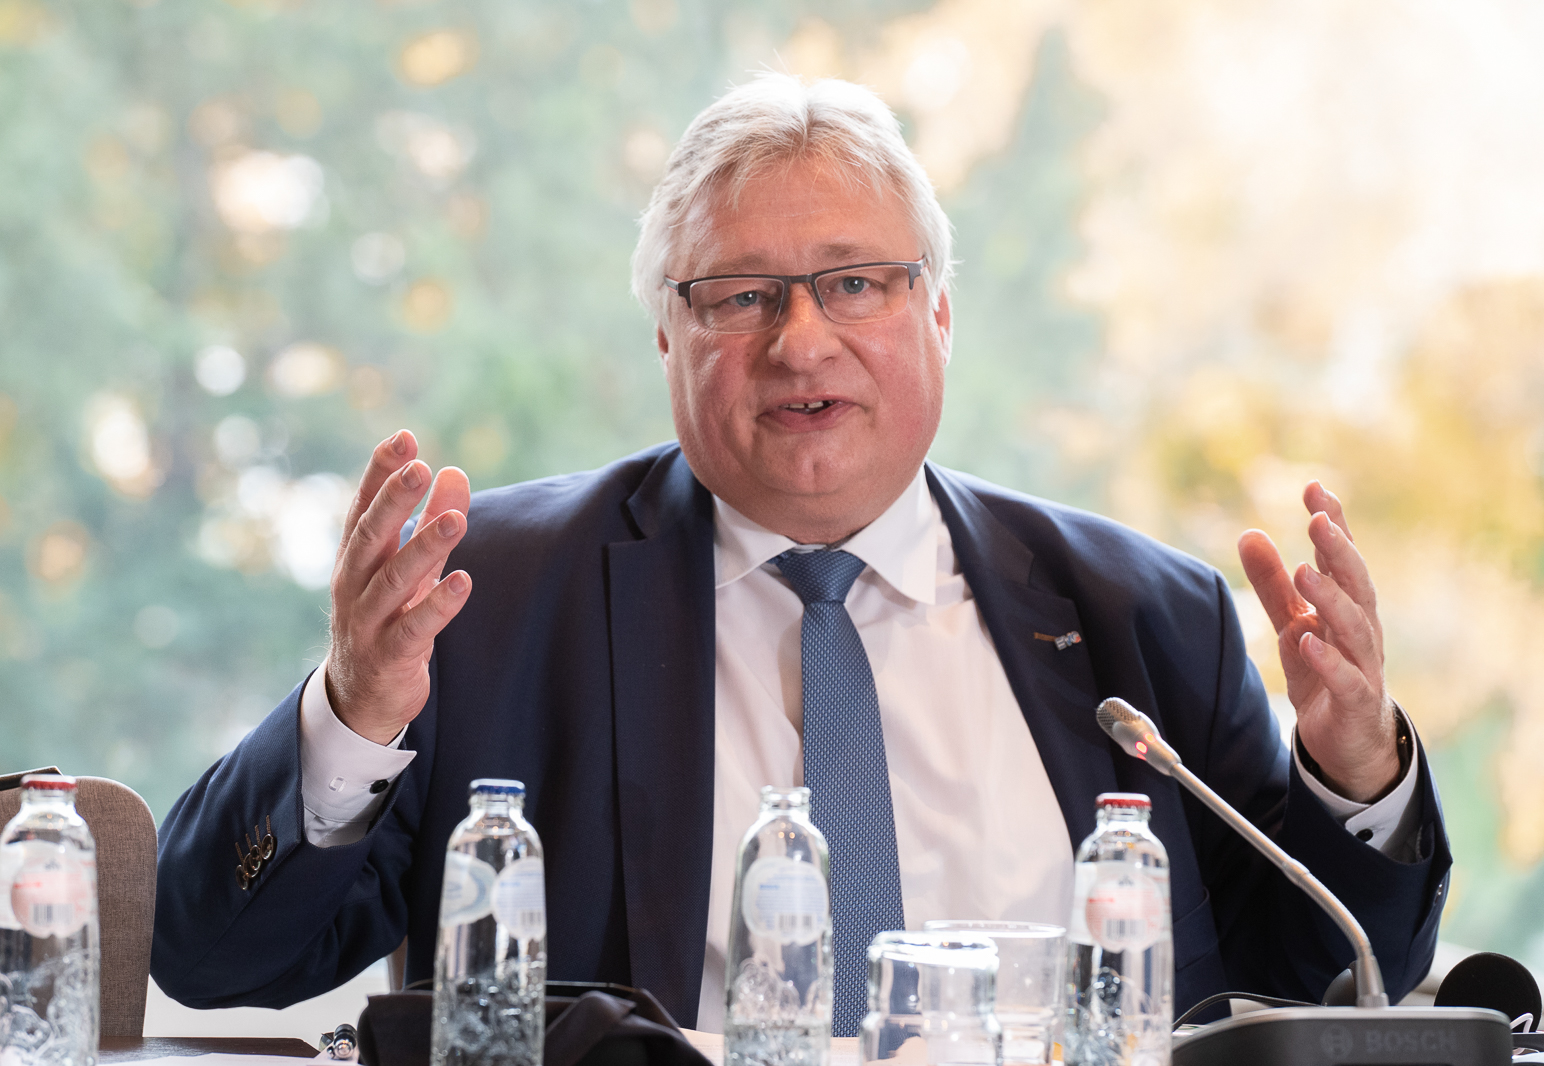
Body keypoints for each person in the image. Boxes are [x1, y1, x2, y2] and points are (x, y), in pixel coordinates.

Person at [152, 74, 1447, 1032]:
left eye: (855, 282)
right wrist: (352, 715)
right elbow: (212, 957)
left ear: (941, 312)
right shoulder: (487, 606)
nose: (801, 342)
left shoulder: (1143, 617)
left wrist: (1357, 775)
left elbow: (1328, 985)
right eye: (740, 296)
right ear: (668, 337)